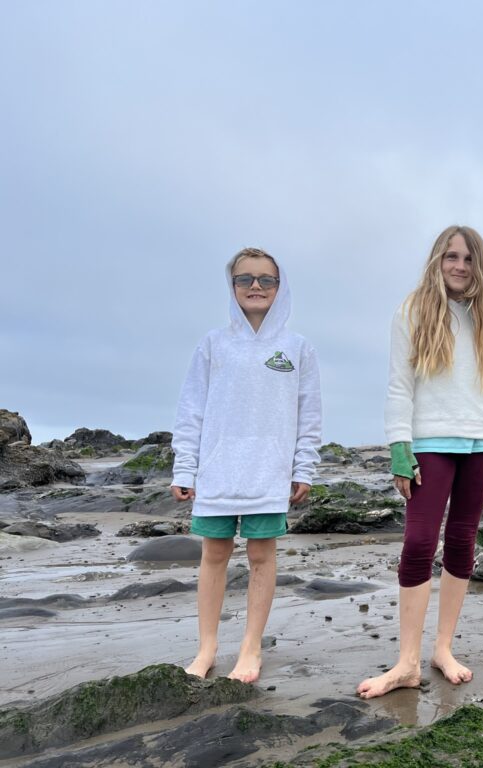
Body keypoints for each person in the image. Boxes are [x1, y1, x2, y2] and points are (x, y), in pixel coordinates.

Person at [357, 225, 483, 699]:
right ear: (437, 260)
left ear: (478, 265)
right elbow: (399, 384)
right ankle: (406, 661)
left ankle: (442, 649)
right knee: (420, 541)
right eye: (451, 257)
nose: (459, 266)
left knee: (463, 539)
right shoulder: (412, 310)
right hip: (430, 441)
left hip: (482, 443)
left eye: (468, 258)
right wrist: (400, 450)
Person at [171, 247, 321, 682]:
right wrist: (185, 467)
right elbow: (191, 409)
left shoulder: (297, 348)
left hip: (268, 472)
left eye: (265, 280)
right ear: (232, 286)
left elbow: (309, 415)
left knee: (261, 555)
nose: (255, 287)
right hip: (217, 471)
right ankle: (207, 648)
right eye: (245, 279)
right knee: (214, 554)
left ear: (280, 287)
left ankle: (250, 648)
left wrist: (303, 468)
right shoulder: (214, 344)